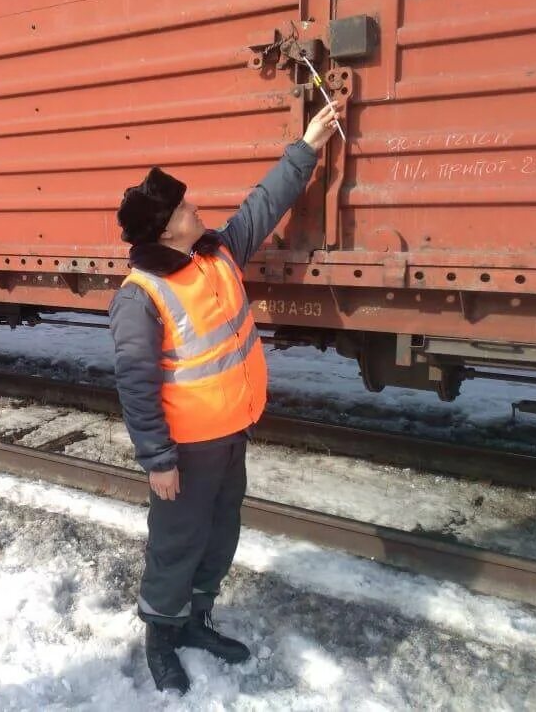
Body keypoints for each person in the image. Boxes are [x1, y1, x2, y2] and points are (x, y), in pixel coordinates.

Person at [110, 102, 344, 693]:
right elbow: (135, 385)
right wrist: (157, 461)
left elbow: (263, 204)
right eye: (184, 207)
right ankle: (161, 635)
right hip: (185, 451)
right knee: (177, 542)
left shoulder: (213, 254)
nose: (196, 208)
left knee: (220, 533)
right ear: (165, 230)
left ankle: (196, 618)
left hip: (231, 432)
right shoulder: (142, 295)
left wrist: (308, 145)